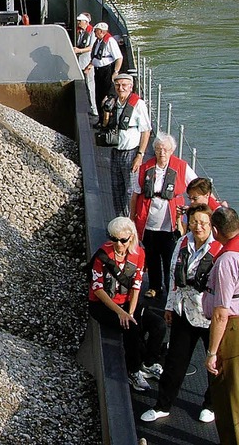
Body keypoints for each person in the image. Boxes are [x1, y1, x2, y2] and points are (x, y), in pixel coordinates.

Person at [141, 204, 221, 424]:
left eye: (203, 222)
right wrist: (169, 306)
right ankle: (162, 405)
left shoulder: (219, 249)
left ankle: (210, 404)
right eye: (194, 221)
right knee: (175, 362)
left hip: (209, 316)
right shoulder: (182, 242)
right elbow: (173, 278)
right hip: (184, 312)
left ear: (211, 224)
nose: (198, 227)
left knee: (214, 363)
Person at [89, 216, 166, 391]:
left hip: (127, 302)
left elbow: (137, 285)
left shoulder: (138, 254)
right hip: (103, 305)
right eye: (114, 239)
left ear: (130, 238)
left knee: (158, 325)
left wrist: (130, 312)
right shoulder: (102, 256)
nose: (118, 244)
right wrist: (121, 313)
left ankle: (149, 362)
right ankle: (133, 370)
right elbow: (98, 290)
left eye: (123, 240)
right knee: (131, 328)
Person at [130, 132, 197, 299]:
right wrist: (131, 218)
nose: (162, 153)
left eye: (165, 150)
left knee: (170, 258)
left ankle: (171, 289)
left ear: (172, 151)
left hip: (171, 223)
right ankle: (154, 287)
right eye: (159, 149)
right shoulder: (146, 167)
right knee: (151, 255)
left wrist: (194, 206)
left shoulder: (181, 167)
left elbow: (196, 186)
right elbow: (135, 194)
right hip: (149, 219)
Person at [203, 207, 239, 445]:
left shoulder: (227, 259)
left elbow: (220, 312)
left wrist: (212, 352)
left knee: (229, 397)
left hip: (232, 330)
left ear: (215, 230)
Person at [108, 73, 151, 217]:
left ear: (131, 87)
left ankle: (131, 221)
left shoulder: (138, 104)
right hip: (115, 151)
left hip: (131, 152)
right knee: (116, 188)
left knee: (131, 190)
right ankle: (119, 220)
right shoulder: (113, 102)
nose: (121, 88)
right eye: (118, 85)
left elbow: (146, 131)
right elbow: (105, 125)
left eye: (124, 85)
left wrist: (140, 155)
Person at [90, 22, 123, 126]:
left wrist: (115, 72)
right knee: (98, 95)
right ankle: (100, 120)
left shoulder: (110, 41)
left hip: (107, 70)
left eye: (96, 31)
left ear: (101, 31)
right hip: (98, 71)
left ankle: (108, 121)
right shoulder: (98, 41)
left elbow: (119, 58)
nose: (94, 34)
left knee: (107, 97)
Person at [73, 13, 98, 118]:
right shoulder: (81, 32)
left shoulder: (92, 32)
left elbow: (92, 47)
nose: (78, 23)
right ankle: (87, 105)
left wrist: (79, 50)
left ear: (86, 22)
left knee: (90, 85)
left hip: (88, 62)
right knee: (84, 85)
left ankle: (94, 109)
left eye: (80, 21)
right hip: (80, 62)